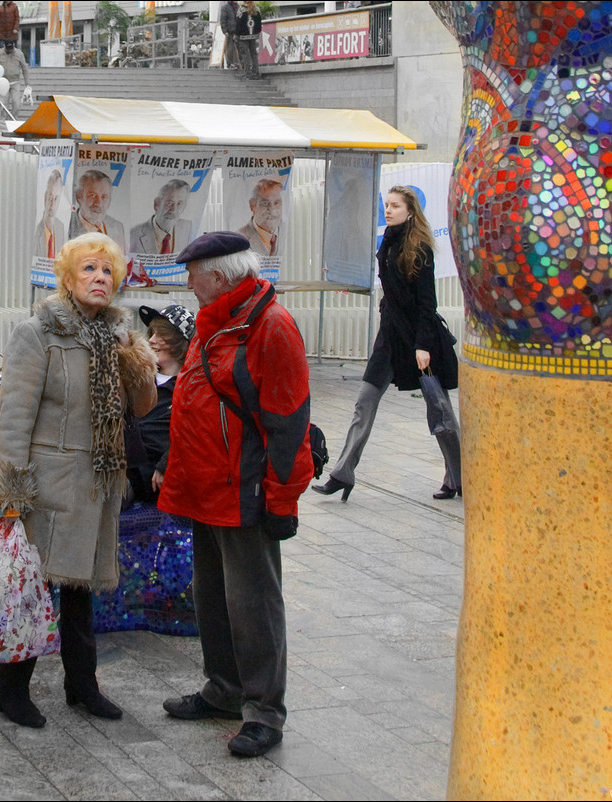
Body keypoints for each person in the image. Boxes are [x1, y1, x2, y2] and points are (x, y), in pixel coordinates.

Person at [0, 232, 156, 728]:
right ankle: (10, 690)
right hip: (49, 484)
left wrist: (137, 360)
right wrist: (11, 493)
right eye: (89, 270)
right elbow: (15, 418)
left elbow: (141, 409)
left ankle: (82, 686)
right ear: (67, 276)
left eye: (107, 272)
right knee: (31, 591)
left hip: (98, 483)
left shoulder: (118, 335)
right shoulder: (38, 333)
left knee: (80, 595)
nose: (100, 279)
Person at [156, 231, 313, 759]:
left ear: (218, 277)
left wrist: (282, 498)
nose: (187, 282)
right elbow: (195, 398)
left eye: (192, 274)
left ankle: (264, 711)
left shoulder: (269, 325)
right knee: (213, 598)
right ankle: (223, 689)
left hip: (245, 493)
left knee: (253, 604)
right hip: (204, 488)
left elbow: (288, 421)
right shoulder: (217, 319)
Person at [313, 185, 461, 502]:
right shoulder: (388, 245)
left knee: (439, 410)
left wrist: (423, 346)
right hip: (390, 338)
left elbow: (427, 305)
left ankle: (458, 476)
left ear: (410, 211)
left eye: (395, 206)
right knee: (364, 402)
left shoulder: (419, 249)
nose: (389, 210)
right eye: (387, 205)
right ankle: (343, 473)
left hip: (420, 340)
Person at [124, 303, 195, 504]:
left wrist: (166, 463)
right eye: (152, 333)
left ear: (179, 342)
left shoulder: (192, 387)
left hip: (145, 478)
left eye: (161, 335)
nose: (152, 341)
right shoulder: (138, 380)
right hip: (117, 466)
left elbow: (195, 434)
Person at [68, 170, 126, 254]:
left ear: (110, 201)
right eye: (92, 195)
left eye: (104, 197)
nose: (98, 203)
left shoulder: (117, 227)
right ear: (79, 197)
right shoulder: (67, 226)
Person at [129, 180, 192, 256]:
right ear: (156, 204)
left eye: (179, 204)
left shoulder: (188, 228)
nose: (173, 210)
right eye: (169, 203)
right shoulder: (134, 234)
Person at [238, 178, 283, 257]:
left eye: (276, 203)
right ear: (252, 205)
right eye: (265, 203)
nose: (272, 210)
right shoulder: (240, 238)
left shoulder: (290, 231)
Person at [31, 169, 66, 261]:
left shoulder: (61, 228)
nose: (52, 203)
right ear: (45, 198)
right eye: (50, 197)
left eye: (56, 198)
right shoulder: (36, 231)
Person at [0, 39, 30, 117]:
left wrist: (27, 82)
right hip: (2, 82)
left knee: (16, 103)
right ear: (4, 46)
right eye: (7, 49)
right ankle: (3, 121)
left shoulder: (19, 54)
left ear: (13, 46)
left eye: (11, 49)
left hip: (15, 82)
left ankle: (13, 119)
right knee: (3, 104)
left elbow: (24, 68)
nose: (9, 51)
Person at [236, 1, 263, 78]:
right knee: (254, 54)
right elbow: (259, 23)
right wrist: (256, 33)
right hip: (253, 36)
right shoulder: (257, 9)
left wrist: (237, 34)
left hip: (243, 36)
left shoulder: (241, 10)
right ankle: (256, 72)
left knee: (245, 54)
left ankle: (248, 73)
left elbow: (238, 23)